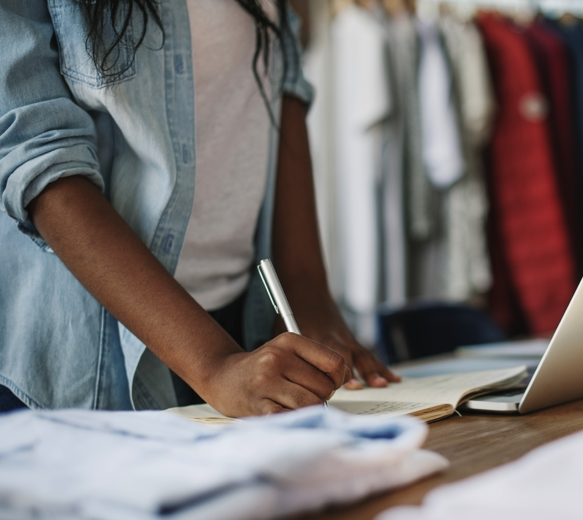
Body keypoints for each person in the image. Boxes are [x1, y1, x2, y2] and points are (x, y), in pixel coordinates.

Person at [0, 0, 399, 416]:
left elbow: (284, 83)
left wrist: (309, 298)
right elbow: (40, 157)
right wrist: (214, 363)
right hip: (94, 356)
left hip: (242, 330)